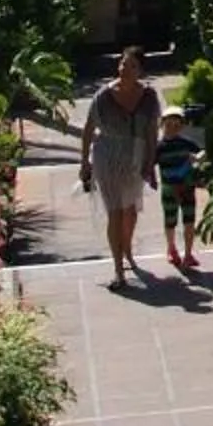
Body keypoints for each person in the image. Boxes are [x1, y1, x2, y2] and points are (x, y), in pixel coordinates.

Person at [77, 47, 163, 288]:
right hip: (107, 157)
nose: (126, 69)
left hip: (135, 158)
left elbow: (151, 132)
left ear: (140, 70)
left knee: (131, 210)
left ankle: (127, 249)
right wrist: (84, 162)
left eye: (132, 66)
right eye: (123, 64)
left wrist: (150, 163)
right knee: (115, 211)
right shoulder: (103, 96)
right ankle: (118, 270)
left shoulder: (149, 97)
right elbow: (88, 129)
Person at [153, 106, 204, 269]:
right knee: (170, 221)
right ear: (162, 126)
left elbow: (202, 151)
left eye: (176, 125)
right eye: (168, 125)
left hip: (187, 187)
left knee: (189, 221)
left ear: (182, 127)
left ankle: (188, 254)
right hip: (169, 189)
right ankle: (171, 248)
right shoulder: (159, 147)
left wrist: (199, 157)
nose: (172, 129)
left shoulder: (186, 143)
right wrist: (151, 177)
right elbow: (149, 165)